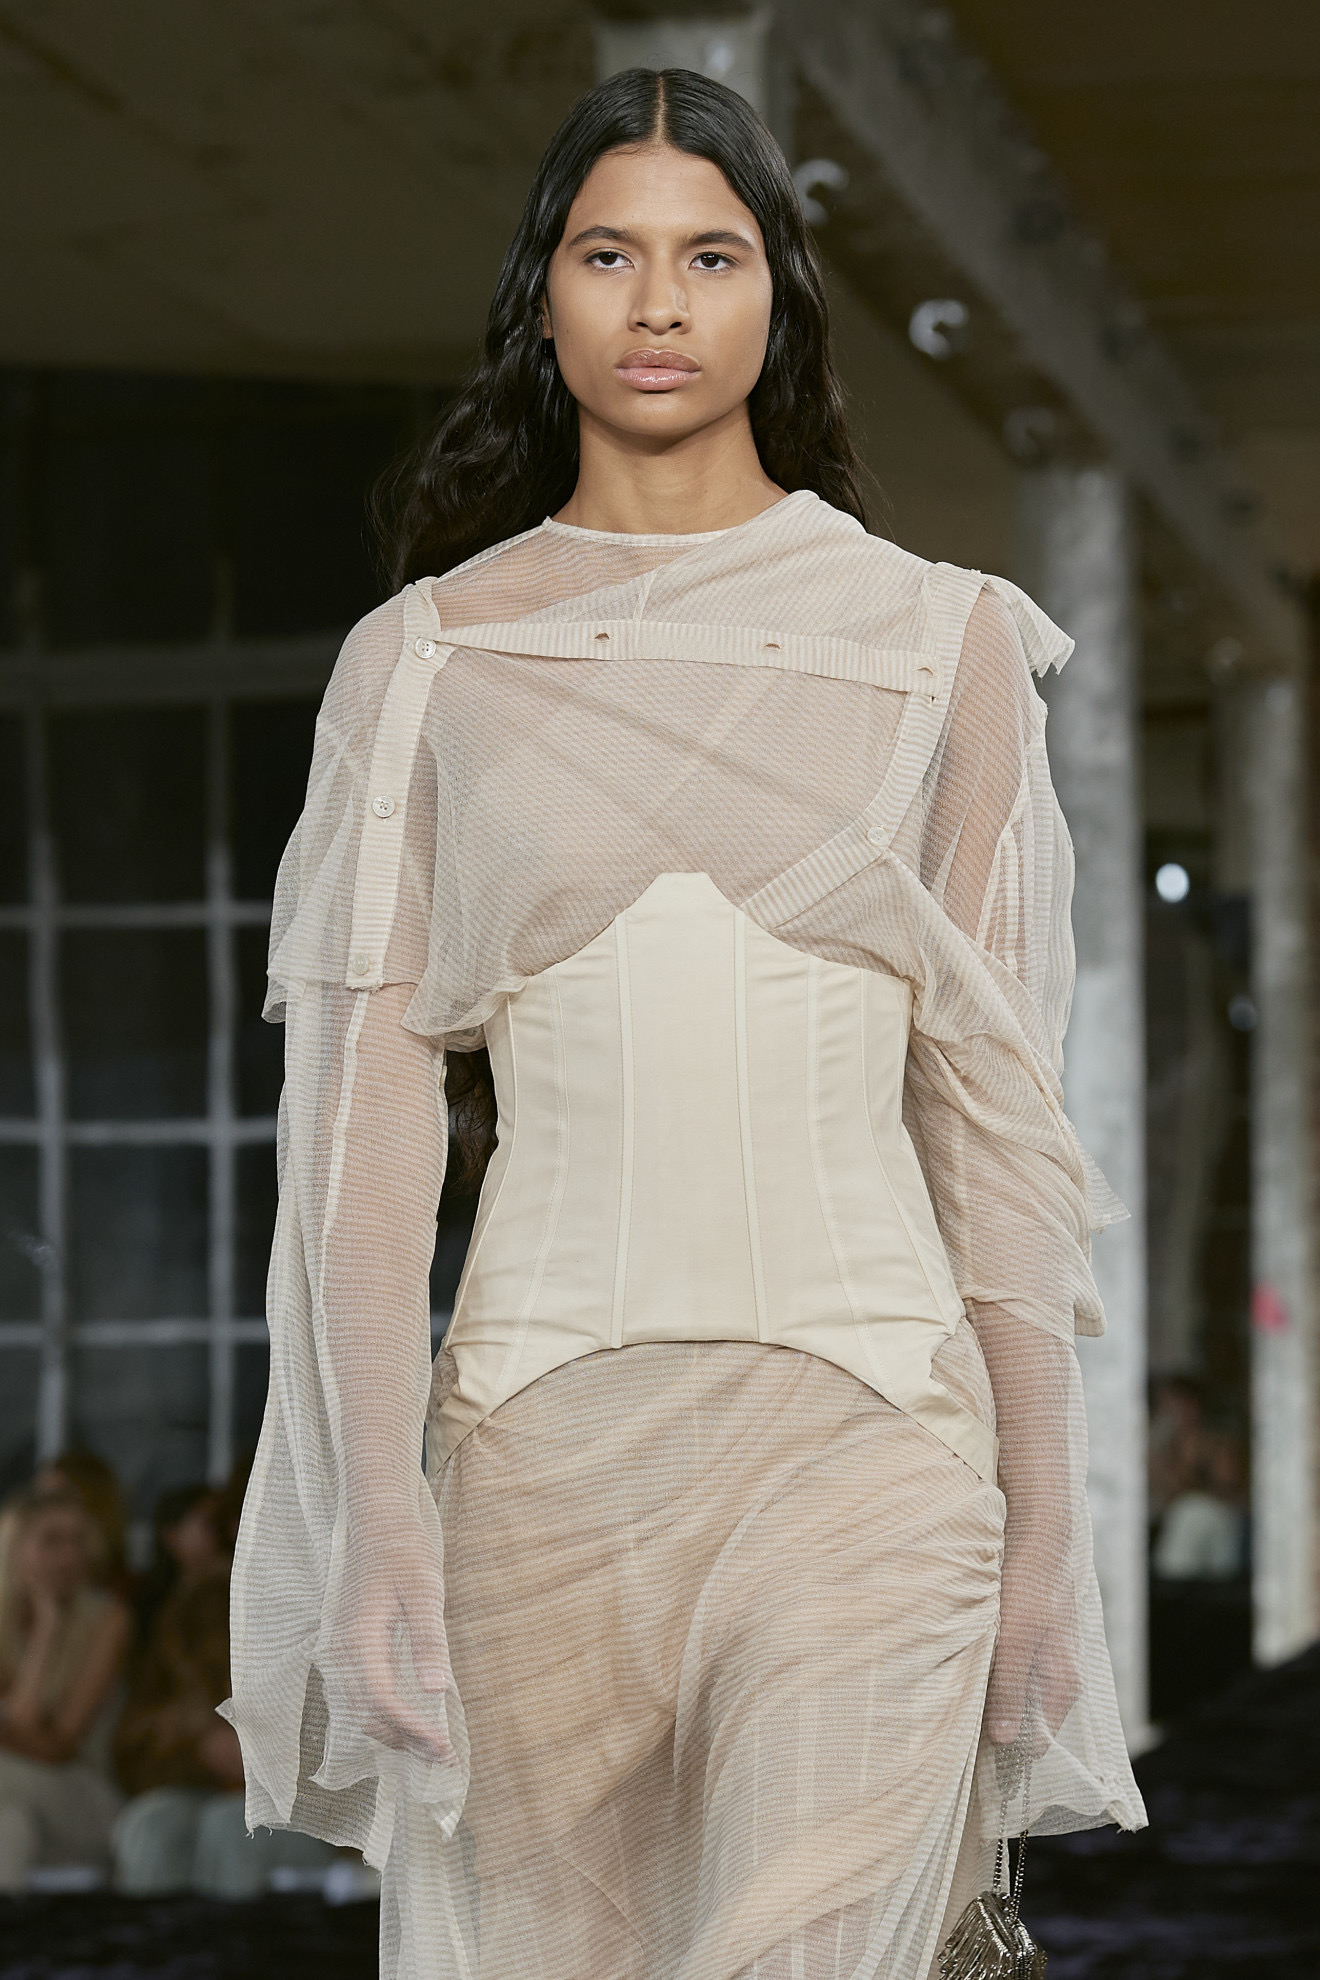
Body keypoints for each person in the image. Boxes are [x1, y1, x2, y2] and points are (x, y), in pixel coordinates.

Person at [219, 66, 1146, 1980]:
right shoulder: (428, 662)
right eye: (609, 255)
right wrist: (373, 1517)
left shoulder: (942, 642)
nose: (659, 303)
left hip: (871, 1441)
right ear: (543, 296)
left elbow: (998, 1122)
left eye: (711, 257)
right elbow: (358, 1132)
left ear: (778, 297)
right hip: (537, 1451)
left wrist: (1050, 1541)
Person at [0, 1482, 131, 1891]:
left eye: (78, 1541)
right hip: (19, 1799)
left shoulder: (107, 1620)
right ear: (14, 1550)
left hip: (86, 1795)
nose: (70, 1555)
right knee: (9, 1824)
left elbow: (60, 1746)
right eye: (52, 1541)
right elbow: (19, 1727)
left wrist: (47, 1628)